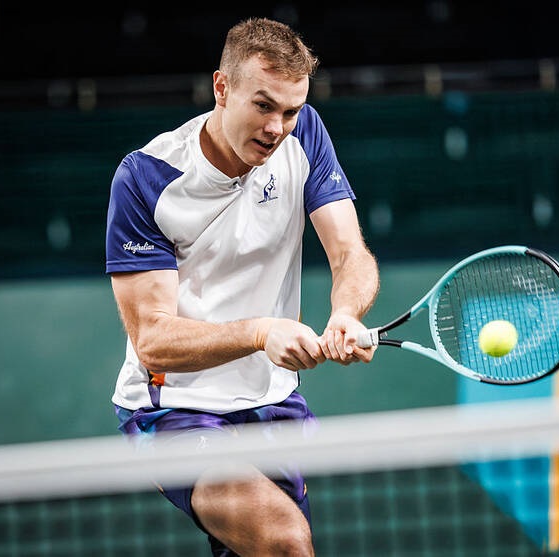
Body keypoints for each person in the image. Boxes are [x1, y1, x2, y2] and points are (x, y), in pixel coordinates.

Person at [104, 16, 380, 556]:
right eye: (263, 106)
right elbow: (153, 340)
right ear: (222, 88)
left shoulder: (305, 135)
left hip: (274, 401)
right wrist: (260, 333)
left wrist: (346, 311)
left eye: (290, 111)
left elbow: (350, 252)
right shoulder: (147, 177)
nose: (277, 127)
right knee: (285, 542)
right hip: (175, 409)